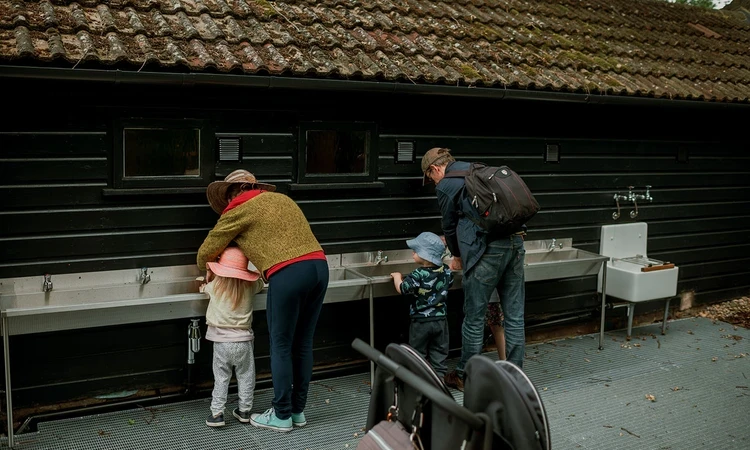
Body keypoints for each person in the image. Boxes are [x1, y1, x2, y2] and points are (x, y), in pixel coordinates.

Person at [197, 169, 329, 433]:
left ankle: (281, 415)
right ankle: (297, 411)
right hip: (320, 266)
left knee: (281, 344)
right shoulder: (282, 200)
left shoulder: (237, 209)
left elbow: (206, 250)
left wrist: (207, 268)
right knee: (303, 343)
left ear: (232, 194)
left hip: (288, 273)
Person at [421, 147, 527, 391]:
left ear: (435, 169)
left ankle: (465, 377)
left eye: (430, 177)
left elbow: (448, 225)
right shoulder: (477, 168)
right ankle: (516, 377)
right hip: (516, 243)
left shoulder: (446, 186)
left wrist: (457, 255)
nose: (432, 182)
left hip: (486, 251)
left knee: (474, 318)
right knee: (514, 315)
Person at [201, 246, 263, 428]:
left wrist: (208, 278)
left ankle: (217, 414)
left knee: (221, 378)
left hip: (221, 343)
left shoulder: (215, 286)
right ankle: (244, 411)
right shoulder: (249, 286)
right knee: (246, 376)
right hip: (243, 341)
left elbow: (204, 287)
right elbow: (260, 283)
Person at [390, 232, 454, 379]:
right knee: (439, 353)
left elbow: (403, 289)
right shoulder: (445, 271)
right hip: (440, 321)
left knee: (417, 355)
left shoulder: (418, 274)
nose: (413, 253)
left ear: (425, 255)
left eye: (416, 251)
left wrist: (397, 277)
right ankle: (439, 382)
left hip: (421, 322)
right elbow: (449, 282)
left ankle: (418, 383)